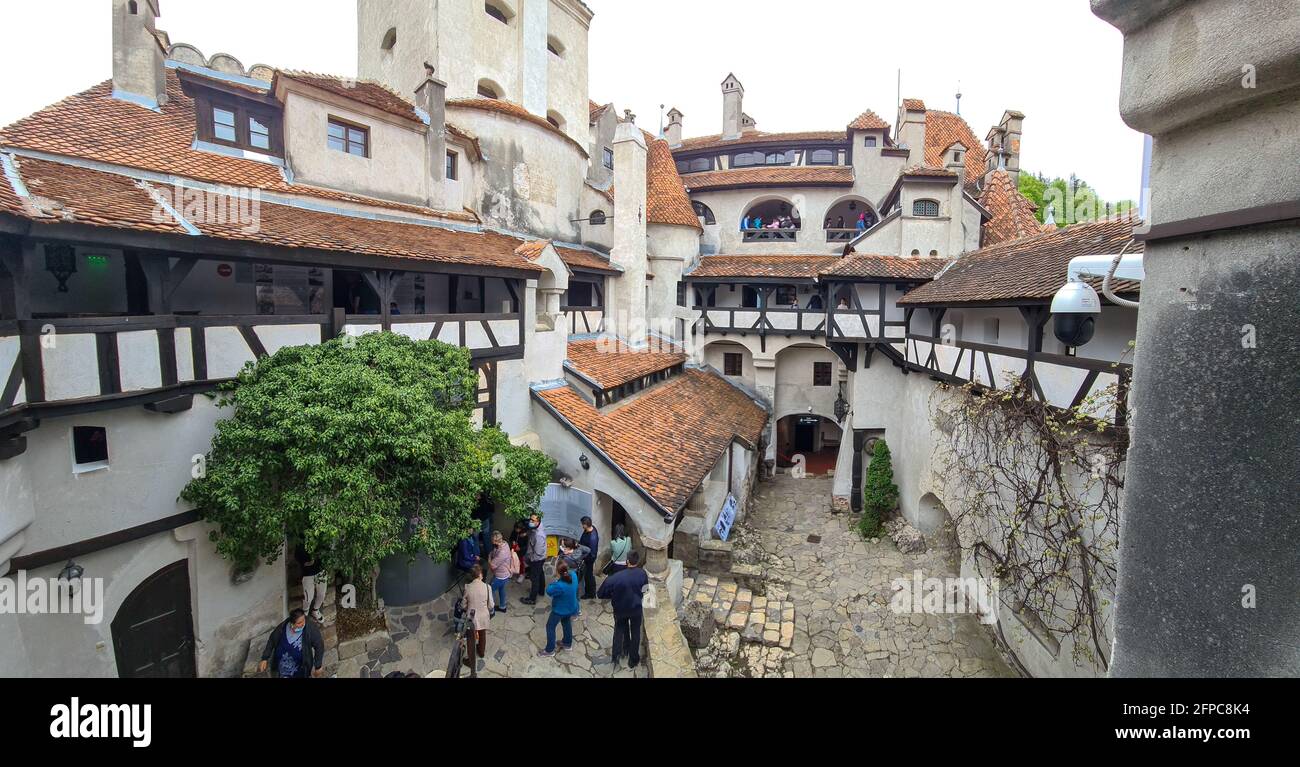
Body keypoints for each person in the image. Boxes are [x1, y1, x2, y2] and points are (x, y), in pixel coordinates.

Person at [597, 552, 649, 669]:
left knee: (619, 630)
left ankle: (616, 655)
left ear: (627, 561)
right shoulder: (642, 574)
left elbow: (600, 594)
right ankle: (633, 659)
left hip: (620, 609)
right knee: (635, 633)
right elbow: (645, 589)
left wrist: (612, 595)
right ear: (637, 561)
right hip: (636, 609)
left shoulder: (615, 577)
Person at [258, 609, 325, 678]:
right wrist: (265, 658)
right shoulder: (282, 627)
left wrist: (318, 666)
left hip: (300, 669)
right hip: (282, 669)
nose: (303, 624)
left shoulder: (310, 628)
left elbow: (319, 645)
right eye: (299, 623)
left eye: (303, 620)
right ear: (292, 623)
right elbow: (272, 640)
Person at [538, 561, 580, 657]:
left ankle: (549, 650)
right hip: (571, 607)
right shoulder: (573, 575)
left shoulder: (559, 585)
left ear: (558, 571)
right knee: (566, 623)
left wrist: (556, 581)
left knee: (550, 627)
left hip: (560, 610)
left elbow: (549, 590)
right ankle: (567, 643)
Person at [462, 564, 494, 667]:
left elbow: (463, 604)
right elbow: (491, 605)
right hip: (483, 616)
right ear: (480, 574)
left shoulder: (467, 587)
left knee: (471, 638)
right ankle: (481, 652)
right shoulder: (487, 587)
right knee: (482, 634)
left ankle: (470, 661)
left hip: (472, 617)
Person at [294, 541, 326, 623]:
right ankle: (305, 613)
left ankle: (315, 610)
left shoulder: (320, 538)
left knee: (322, 595)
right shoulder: (301, 542)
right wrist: (305, 563)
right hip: (308, 574)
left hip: (321, 571)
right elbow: (297, 556)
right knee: (308, 598)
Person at [521, 513, 548, 606]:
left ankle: (532, 599)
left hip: (537, 559)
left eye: (533, 521)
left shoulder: (539, 535)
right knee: (540, 573)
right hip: (539, 558)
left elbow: (538, 552)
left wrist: (530, 560)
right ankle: (541, 591)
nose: (530, 522)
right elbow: (532, 531)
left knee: (534, 578)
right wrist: (526, 534)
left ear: (538, 522)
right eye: (530, 519)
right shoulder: (537, 527)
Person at [488, 531, 512, 613]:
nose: (492, 543)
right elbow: (494, 551)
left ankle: (491, 611)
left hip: (500, 576)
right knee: (502, 589)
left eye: (492, 541)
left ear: (496, 541)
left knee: (490, 591)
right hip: (504, 574)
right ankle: (503, 606)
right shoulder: (504, 544)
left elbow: (492, 565)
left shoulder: (502, 552)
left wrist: (489, 558)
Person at [578, 517, 599, 600]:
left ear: (586, 525)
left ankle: (590, 593)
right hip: (586, 557)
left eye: (583, 524)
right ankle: (591, 591)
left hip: (589, 559)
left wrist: (584, 558)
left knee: (588, 576)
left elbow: (592, 553)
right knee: (589, 575)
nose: (582, 526)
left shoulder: (592, 538)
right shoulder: (589, 529)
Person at [509, 520, 530, 584]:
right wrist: (512, 541)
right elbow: (511, 538)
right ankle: (511, 571)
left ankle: (521, 574)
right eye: (515, 529)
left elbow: (526, 546)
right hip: (514, 550)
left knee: (521, 563)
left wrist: (520, 548)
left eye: (518, 529)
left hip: (521, 552)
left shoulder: (524, 535)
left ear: (521, 528)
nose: (516, 530)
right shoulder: (514, 532)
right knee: (512, 560)